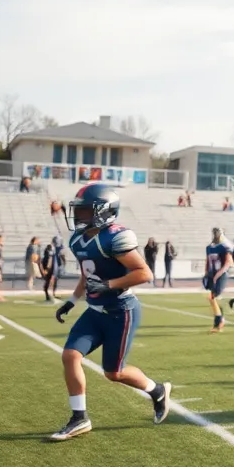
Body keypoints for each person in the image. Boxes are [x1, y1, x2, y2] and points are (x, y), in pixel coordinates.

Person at [49, 183, 171, 441]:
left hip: (120, 311)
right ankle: (79, 418)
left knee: (114, 373)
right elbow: (87, 274)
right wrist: (71, 301)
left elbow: (144, 273)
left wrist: (109, 285)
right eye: (79, 210)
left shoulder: (116, 237)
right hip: (94, 311)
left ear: (103, 211)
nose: (79, 215)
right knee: (70, 356)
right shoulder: (78, 239)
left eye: (84, 210)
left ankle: (157, 390)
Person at [204, 228, 233, 333]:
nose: (215, 235)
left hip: (221, 275)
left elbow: (228, 263)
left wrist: (218, 275)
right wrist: (206, 273)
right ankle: (220, 319)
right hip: (213, 275)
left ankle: (219, 321)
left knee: (212, 298)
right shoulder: (209, 247)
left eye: (217, 232)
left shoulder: (224, 247)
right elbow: (208, 261)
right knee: (213, 299)